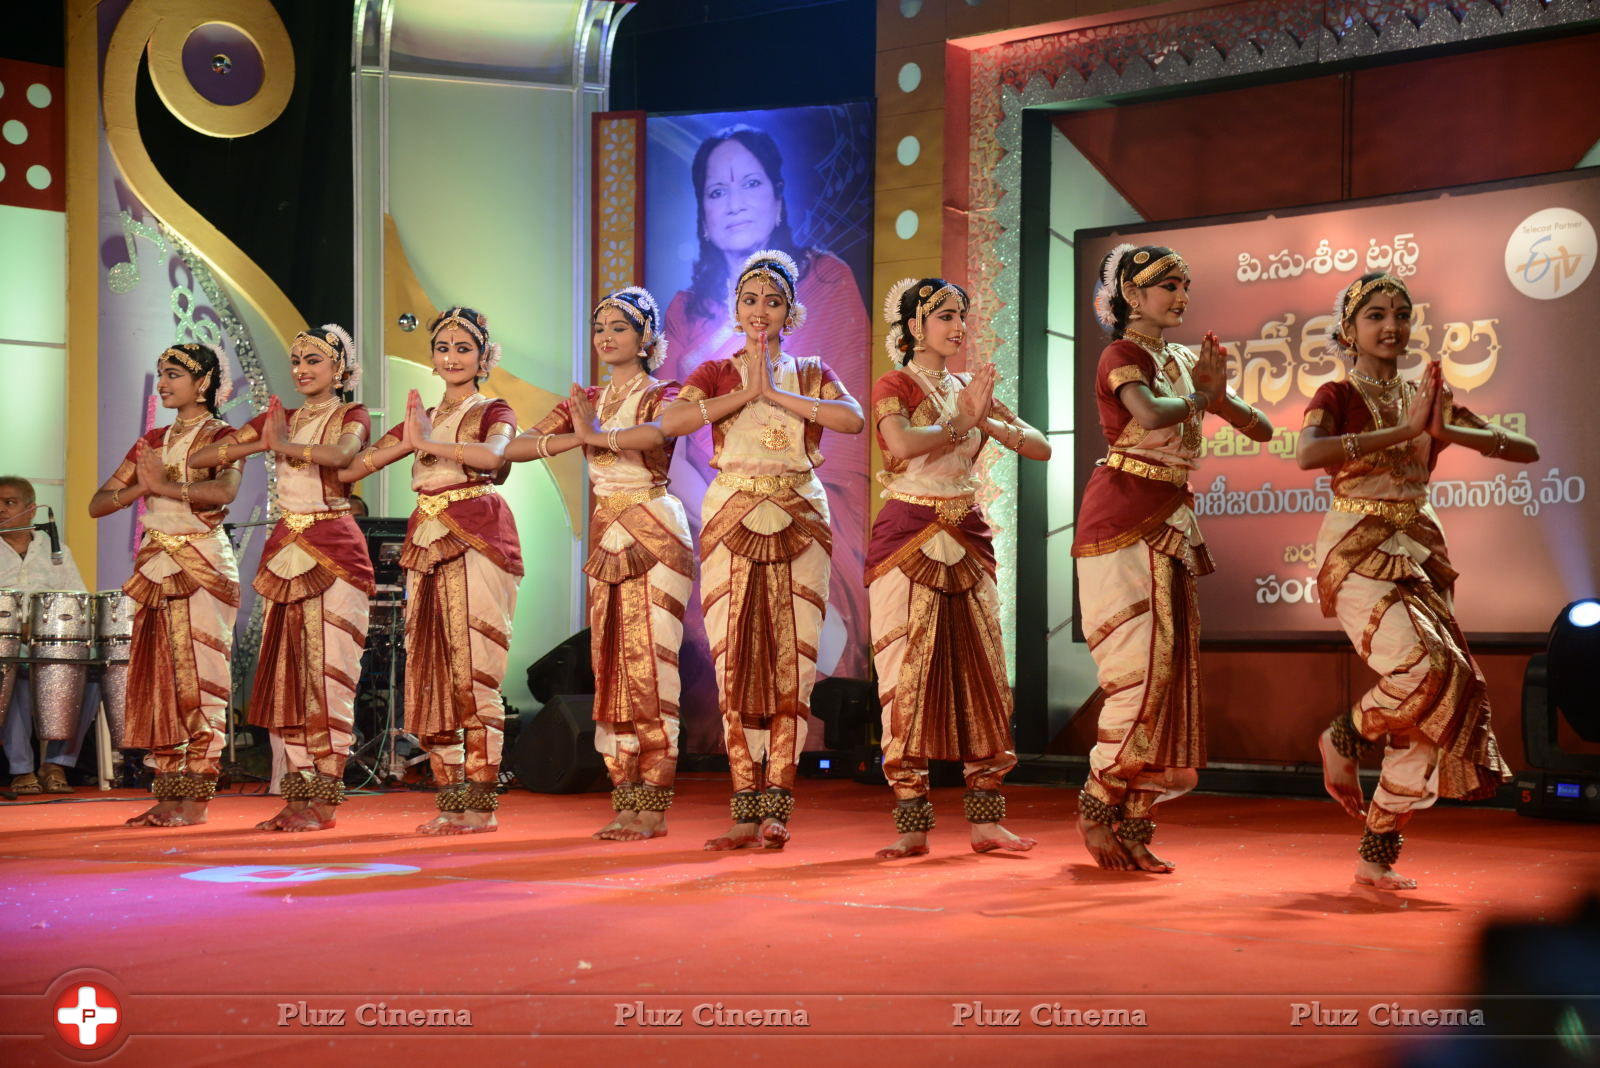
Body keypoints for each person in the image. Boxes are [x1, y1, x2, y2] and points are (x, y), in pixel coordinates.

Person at [1299, 273, 1537, 890]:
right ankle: (1344, 735)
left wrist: (1449, 429)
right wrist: (1405, 433)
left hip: (1423, 551)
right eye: (1375, 315)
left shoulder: (1424, 393)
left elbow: (1528, 450)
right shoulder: (1336, 391)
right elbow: (1307, 454)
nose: (1391, 326)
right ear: (1348, 330)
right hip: (1358, 546)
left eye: (1402, 314)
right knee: (1426, 672)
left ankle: (1376, 853)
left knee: (1448, 692)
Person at [655, 249, 864, 850]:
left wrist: (776, 391)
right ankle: (743, 808)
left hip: (799, 512)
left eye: (773, 301)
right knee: (735, 659)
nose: (760, 311)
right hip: (733, 513)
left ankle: (778, 805)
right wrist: (745, 393)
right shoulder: (717, 370)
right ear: (736, 308)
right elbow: (673, 422)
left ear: (791, 311)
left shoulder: (813, 369)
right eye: (750, 300)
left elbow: (851, 421)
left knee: (792, 660)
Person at [1073, 245, 1271, 872]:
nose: (1181, 296)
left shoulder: (1186, 359)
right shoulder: (1121, 354)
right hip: (1122, 518)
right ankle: (1097, 800)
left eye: (1186, 285)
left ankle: (1137, 822)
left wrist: (1219, 397)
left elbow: (1261, 428)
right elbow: (1150, 412)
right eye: (1166, 286)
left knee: (1169, 677)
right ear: (1132, 295)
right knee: (1137, 674)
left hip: (1173, 523)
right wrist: (1201, 400)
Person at [659, 124, 872, 697]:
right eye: (717, 190)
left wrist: (774, 397)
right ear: (702, 213)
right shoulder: (690, 322)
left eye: (751, 183)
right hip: (715, 507)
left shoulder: (826, 289)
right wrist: (722, 507)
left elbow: (851, 433)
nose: (735, 202)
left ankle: (785, 770)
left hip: (810, 502)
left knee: (810, 639)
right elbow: (668, 432)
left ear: (778, 197)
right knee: (725, 644)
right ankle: (745, 768)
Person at [867, 278, 1051, 858]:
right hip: (907, 533)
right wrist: (960, 424)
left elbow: (1041, 446)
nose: (958, 326)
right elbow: (897, 445)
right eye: (945, 315)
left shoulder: (973, 388)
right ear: (914, 325)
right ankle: (912, 824)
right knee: (904, 674)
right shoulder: (894, 383)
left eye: (963, 316)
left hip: (968, 536)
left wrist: (987, 420)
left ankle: (986, 820)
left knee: (983, 673)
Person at [505, 288, 689, 841]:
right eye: (600, 327)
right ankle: (626, 794)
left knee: (653, 666)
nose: (606, 337)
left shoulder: (668, 392)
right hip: (608, 536)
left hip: (654, 527)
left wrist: (591, 436)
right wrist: (571, 438)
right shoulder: (586, 397)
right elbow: (513, 448)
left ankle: (654, 802)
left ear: (647, 339)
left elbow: (656, 435)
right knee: (611, 666)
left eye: (620, 328)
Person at [339, 307, 518, 835]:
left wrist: (425, 444)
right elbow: (352, 468)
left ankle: (482, 804)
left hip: (478, 533)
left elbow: (493, 457)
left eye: (464, 348)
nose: (452, 357)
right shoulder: (420, 419)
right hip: (425, 541)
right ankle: (452, 797)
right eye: (444, 347)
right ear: (431, 357)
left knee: (476, 669)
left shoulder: (495, 408)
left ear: (484, 357)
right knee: (432, 669)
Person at [188, 326, 373, 831]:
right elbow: (203, 457)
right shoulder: (281, 419)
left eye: (314, 360)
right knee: (290, 679)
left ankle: (326, 802)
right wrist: (241, 448)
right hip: (285, 554)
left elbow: (341, 457)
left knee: (330, 678)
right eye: (295, 361)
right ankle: (295, 799)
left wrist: (281, 444)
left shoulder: (350, 415)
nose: (301, 369)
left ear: (341, 368)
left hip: (336, 551)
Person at [88, 343, 243, 826]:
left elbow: (223, 492)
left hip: (202, 563)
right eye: (160, 375)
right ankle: (169, 792)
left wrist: (163, 488)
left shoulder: (225, 436)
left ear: (204, 383)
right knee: (161, 678)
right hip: (156, 567)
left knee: (202, 678)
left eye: (173, 374)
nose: (163, 383)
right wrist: (142, 487)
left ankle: (195, 798)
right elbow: (98, 503)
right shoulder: (150, 442)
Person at [0, 475, 94, 794]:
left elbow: (79, 600)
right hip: (7, 642)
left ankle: (58, 763)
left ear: (31, 509)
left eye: (9, 503)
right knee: (10, 669)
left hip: (52, 642)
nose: (1, 509)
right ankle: (21, 769)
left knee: (90, 674)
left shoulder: (56, 549)